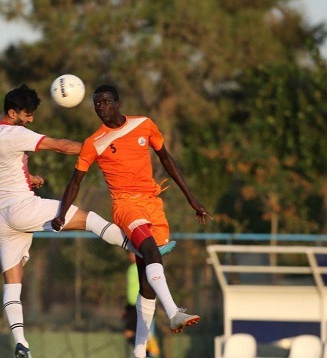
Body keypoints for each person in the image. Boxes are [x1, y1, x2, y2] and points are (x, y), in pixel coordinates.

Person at [0, 84, 175, 358]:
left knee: (12, 282)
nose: (31, 120)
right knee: (90, 219)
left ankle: (21, 343)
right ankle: (140, 248)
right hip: (22, 208)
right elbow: (59, 146)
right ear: (12, 112)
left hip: (0, 214)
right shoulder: (13, 134)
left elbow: (1, 169)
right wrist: (95, 148)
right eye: (27, 115)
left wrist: (29, 179)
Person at [52, 84, 213, 358]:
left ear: (118, 102)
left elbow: (167, 159)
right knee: (151, 253)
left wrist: (192, 199)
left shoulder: (144, 124)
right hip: (125, 205)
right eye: (96, 104)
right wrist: (62, 213)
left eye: (105, 102)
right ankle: (174, 312)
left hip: (152, 203)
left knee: (146, 280)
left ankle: (139, 354)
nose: (100, 108)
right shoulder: (95, 142)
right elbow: (75, 181)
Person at [124, 252, 161, 358]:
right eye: (130, 253)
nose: (131, 255)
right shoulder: (131, 269)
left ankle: (147, 351)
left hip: (140, 304)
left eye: (133, 253)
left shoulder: (142, 268)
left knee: (131, 333)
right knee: (135, 333)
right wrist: (127, 308)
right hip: (132, 306)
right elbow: (130, 290)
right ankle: (147, 350)